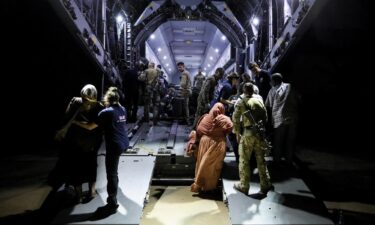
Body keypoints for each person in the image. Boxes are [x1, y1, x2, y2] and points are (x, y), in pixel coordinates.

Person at [49, 84, 103, 203]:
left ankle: (85, 194)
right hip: (84, 143)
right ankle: (87, 193)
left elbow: (69, 119)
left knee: (81, 168)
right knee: (85, 167)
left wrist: (75, 122)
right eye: (84, 99)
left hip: (85, 143)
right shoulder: (93, 105)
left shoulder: (82, 103)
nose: (86, 102)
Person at [232, 82, 273, 195]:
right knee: (261, 160)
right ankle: (265, 184)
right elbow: (265, 116)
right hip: (259, 134)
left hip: (248, 134)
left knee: (244, 160)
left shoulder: (241, 101)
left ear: (244, 90)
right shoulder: (259, 99)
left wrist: (237, 133)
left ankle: (244, 186)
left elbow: (235, 119)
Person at [97, 87, 129, 212]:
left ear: (107, 98)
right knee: (114, 171)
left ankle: (112, 199)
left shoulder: (106, 112)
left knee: (111, 173)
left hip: (114, 145)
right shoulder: (123, 109)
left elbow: (96, 123)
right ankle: (115, 189)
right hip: (124, 142)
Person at [191, 102, 233, 193]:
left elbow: (199, 130)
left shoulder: (205, 117)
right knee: (212, 167)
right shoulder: (223, 119)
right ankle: (209, 187)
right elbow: (230, 127)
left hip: (204, 142)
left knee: (202, 163)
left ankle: (200, 184)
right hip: (217, 145)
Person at [265, 73, 299, 166]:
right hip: (292, 117)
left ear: (274, 81)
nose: (270, 83)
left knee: (278, 141)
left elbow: (268, 105)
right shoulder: (289, 86)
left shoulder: (272, 90)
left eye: (271, 81)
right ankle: (289, 161)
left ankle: (277, 161)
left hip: (279, 119)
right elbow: (298, 99)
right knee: (290, 141)